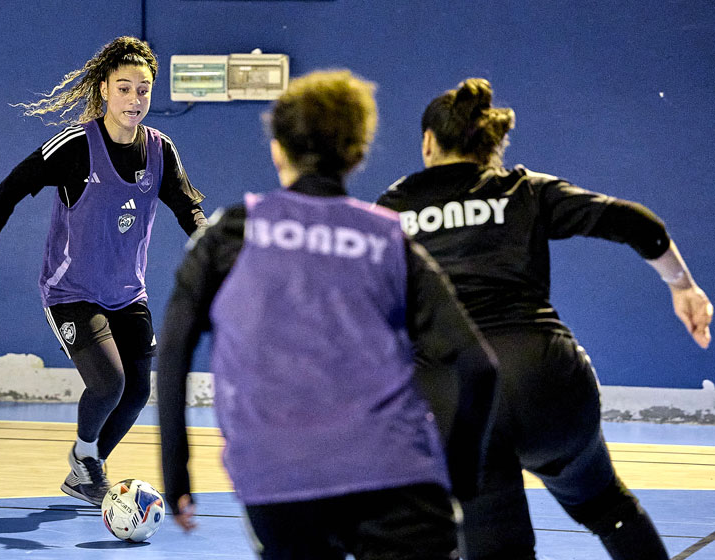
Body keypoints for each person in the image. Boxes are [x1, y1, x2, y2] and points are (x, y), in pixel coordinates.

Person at [157, 69, 499, 560]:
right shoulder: (390, 241)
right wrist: (460, 479)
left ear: (278, 149)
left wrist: (177, 472)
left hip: (278, 483)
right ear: (358, 154)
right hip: (398, 477)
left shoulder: (230, 234)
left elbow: (173, 349)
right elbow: (480, 367)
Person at [375, 78, 713, 560]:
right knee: (609, 508)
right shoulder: (524, 190)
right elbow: (639, 223)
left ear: (428, 142)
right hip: (548, 381)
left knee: (487, 541)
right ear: (491, 143)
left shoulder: (392, 208)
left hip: (460, 394)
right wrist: (684, 287)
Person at [0, 36, 207, 506]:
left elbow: (188, 207)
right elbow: (12, 187)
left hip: (127, 293)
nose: (134, 99)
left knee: (136, 393)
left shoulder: (160, 150)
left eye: (143, 90)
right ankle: (87, 463)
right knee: (109, 383)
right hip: (70, 291)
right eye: (124, 88)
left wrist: (210, 243)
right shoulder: (76, 146)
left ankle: (85, 462)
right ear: (103, 90)